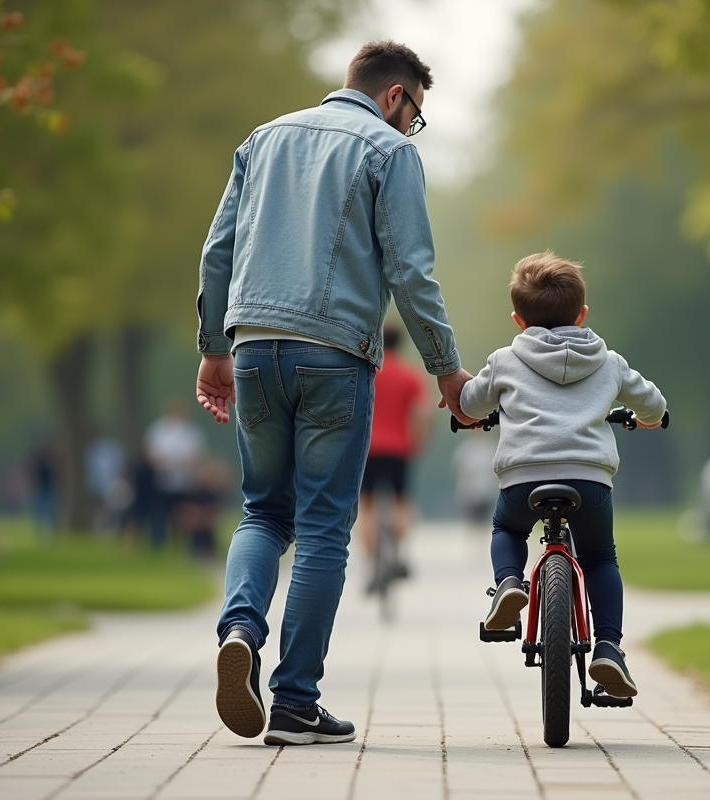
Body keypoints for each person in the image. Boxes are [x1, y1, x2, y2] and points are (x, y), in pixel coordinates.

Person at [194, 41, 474, 746]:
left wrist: (212, 349)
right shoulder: (388, 151)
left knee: (262, 512)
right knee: (322, 527)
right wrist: (447, 369)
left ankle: (239, 628)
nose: (412, 127)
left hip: (253, 347)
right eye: (415, 113)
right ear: (394, 96)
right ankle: (293, 702)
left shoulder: (263, 138)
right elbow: (411, 271)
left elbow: (217, 250)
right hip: (335, 355)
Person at [459, 252, 666, 700]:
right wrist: (650, 417)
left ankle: (510, 584)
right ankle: (609, 647)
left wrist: (472, 409)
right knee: (599, 559)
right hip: (589, 480)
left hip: (522, 477)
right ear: (582, 314)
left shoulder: (504, 359)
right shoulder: (609, 361)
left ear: (518, 319)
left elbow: (472, 404)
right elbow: (653, 402)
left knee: (505, 527)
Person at [357, 325, 429, 589]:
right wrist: (418, 442)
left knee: (365, 507)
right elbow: (423, 413)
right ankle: (397, 554)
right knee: (401, 502)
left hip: (366, 449)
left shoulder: (367, 371)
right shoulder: (409, 375)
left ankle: (372, 562)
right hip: (399, 449)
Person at [143, 400, 206, 547]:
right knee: (159, 514)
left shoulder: (192, 432)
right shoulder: (158, 430)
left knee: (183, 515)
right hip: (162, 480)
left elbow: (198, 456)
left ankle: (182, 544)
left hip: (184, 482)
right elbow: (149, 455)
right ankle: (158, 543)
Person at [450, 428, 498, 533]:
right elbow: (459, 470)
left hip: (487, 492)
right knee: (473, 522)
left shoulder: (493, 448)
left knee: (485, 521)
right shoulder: (466, 449)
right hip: (470, 493)